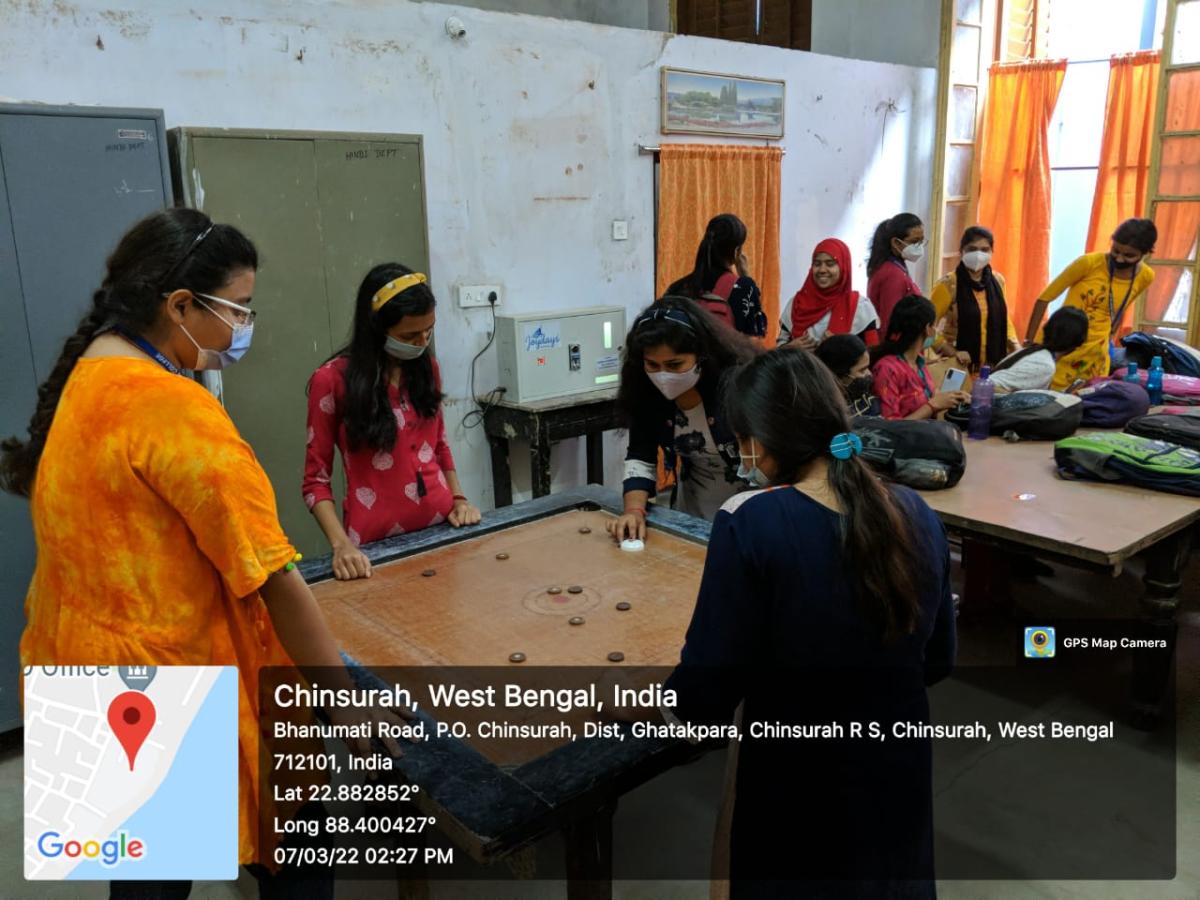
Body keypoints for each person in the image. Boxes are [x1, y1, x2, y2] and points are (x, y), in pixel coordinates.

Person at [1, 209, 406, 898]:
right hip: (174, 676)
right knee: (295, 848)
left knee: (146, 869)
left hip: (89, 661)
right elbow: (272, 575)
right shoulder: (174, 411)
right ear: (181, 305)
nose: (245, 327)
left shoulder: (90, 374)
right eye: (238, 309)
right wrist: (343, 700)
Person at [661, 348, 955, 896]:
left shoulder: (751, 521)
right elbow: (937, 660)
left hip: (799, 787)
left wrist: (629, 700)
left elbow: (703, 699)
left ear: (761, 440)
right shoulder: (915, 511)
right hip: (896, 773)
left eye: (743, 440)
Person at [304, 264, 480, 581]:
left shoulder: (427, 368)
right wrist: (341, 545)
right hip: (372, 547)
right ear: (377, 328)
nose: (421, 342)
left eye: (428, 331)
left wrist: (459, 499)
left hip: (443, 531)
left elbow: (439, 445)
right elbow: (315, 480)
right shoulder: (331, 380)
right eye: (409, 336)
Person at [608, 297, 759, 542]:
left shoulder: (738, 386)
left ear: (701, 355)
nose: (663, 375)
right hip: (691, 516)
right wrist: (633, 511)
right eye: (652, 365)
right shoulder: (648, 395)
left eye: (674, 365)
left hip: (750, 517)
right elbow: (640, 456)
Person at [1026, 218, 1158, 390]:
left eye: (1129, 255)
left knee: (1087, 397)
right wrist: (1028, 342)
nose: (1119, 259)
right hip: (1062, 345)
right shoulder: (1088, 263)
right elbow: (1044, 298)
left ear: (1145, 253)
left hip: (1096, 353)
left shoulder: (1146, 276)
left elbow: (1120, 309)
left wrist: (1110, 339)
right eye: (1115, 250)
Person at [929, 226, 1020, 371]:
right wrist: (952, 352)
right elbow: (927, 327)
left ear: (992, 252)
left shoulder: (998, 281)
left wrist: (1015, 346)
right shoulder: (948, 285)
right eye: (972, 249)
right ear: (961, 251)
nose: (978, 254)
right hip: (959, 365)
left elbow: (1004, 319)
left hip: (993, 367)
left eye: (984, 250)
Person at [665, 213, 768, 338]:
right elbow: (757, 333)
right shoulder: (744, 287)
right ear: (736, 252)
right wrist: (746, 276)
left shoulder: (676, 288)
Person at [871, 295, 971, 420]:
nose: (935, 331)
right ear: (928, 329)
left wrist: (952, 397)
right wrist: (933, 406)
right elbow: (890, 426)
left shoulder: (918, 362)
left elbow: (929, 396)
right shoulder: (887, 369)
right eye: (934, 326)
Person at [777, 237, 880, 349]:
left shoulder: (860, 307)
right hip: (798, 361)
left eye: (830, 264)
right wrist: (790, 348)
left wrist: (840, 348)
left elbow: (872, 350)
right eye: (817, 264)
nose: (822, 270)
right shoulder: (797, 304)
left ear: (843, 267)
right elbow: (779, 347)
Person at [989, 307, 1089, 393]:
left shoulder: (1034, 351)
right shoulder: (1044, 364)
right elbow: (989, 385)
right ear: (1078, 341)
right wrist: (1015, 399)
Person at [866, 213, 925, 335]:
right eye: (914, 242)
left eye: (921, 241)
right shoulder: (892, 274)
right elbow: (890, 323)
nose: (919, 247)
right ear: (896, 243)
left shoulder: (893, 266)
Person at [814, 333, 879, 417]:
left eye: (868, 368)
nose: (869, 374)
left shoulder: (867, 400)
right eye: (862, 370)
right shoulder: (823, 413)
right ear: (839, 374)